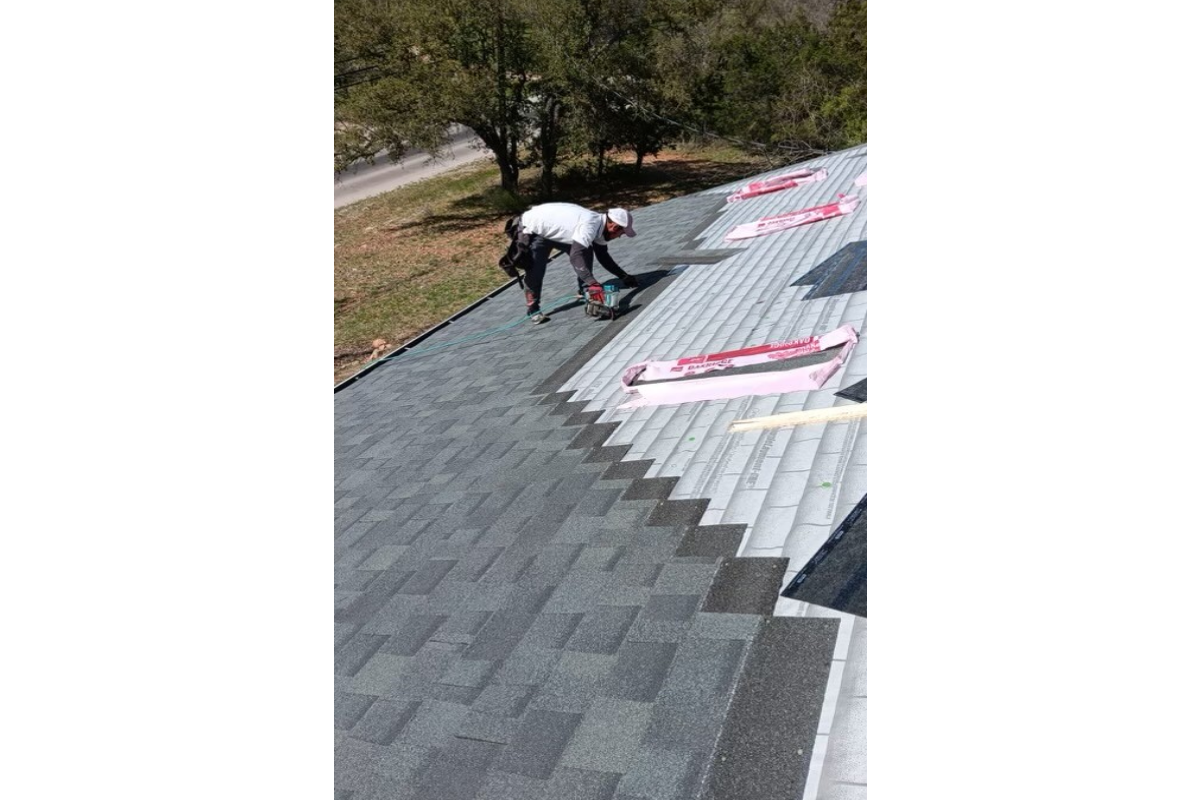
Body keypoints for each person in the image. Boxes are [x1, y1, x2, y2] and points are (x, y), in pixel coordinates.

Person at [514, 203, 640, 324]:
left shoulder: (601, 228)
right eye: (622, 233)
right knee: (536, 271)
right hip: (534, 229)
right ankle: (533, 309)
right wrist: (594, 283)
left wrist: (623, 276)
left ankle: (589, 296)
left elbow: (603, 257)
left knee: (585, 251)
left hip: (555, 228)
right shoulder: (590, 226)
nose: (619, 236)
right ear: (614, 226)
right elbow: (575, 256)